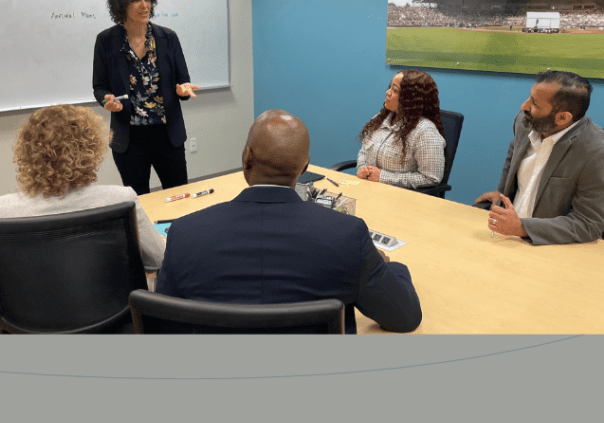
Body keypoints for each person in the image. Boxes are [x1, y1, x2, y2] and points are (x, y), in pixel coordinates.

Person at [156, 110, 423, 334]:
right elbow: (405, 317)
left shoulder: (184, 233)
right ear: (305, 167)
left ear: (245, 158)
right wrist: (391, 267)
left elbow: (162, 327)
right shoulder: (347, 236)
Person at [0, 104, 166, 290]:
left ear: (26, 151)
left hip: (31, 321)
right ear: (91, 148)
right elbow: (159, 257)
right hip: (116, 314)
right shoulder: (119, 199)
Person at [474, 70, 604, 245]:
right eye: (529, 97)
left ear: (562, 118)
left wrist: (522, 228)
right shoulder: (525, 123)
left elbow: (587, 224)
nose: (524, 106)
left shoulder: (599, 152)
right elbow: (513, 155)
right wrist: (502, 191)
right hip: (508, 237)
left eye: (534, 103)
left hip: (555, 247)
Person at [92, 0, 199, 196]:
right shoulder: (106, 41)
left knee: (179, 196)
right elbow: (99, 86)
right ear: (121, 5)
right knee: (139, 202)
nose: (144, 5)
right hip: (130, 139)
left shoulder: (168, 37)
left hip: (167, 134)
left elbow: (183, 80)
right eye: (136, 0)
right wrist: (106, 101)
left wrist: (183, 90)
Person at [356, 70, 446, 190]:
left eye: (395, 90)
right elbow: (364, 151)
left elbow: (430, 178)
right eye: (390, 87)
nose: (387, 92)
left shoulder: (425, 131)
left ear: (410, 99)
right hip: (368, 189)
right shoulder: (380, 119)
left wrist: (383, 177)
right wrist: (363, 168)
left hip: (401, 198)